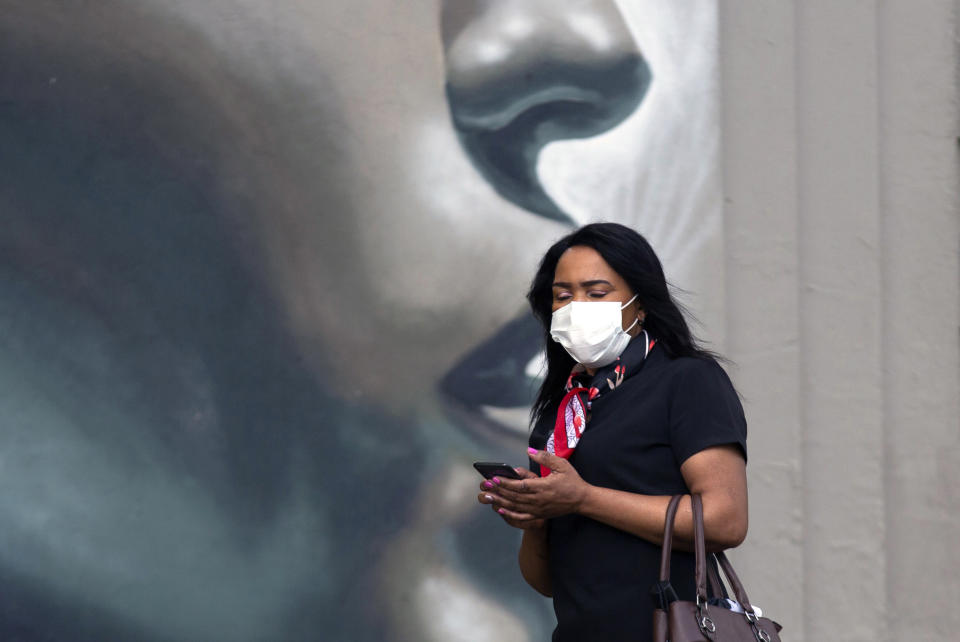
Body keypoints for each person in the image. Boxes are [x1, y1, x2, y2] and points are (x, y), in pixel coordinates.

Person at [478, 222, 749, 641]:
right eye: (562, 296)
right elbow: (547, 582)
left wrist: (584, 499)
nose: (577, 306)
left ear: (641, 304)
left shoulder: (687, 380)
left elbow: (725, 521)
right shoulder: (565, 409)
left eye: (597, 292)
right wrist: (535, 516)